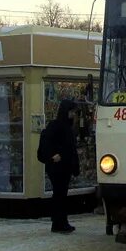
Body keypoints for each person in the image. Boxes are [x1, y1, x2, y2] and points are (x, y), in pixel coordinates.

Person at [38, 99, 80, 233]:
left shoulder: (65, 126)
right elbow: (48, 143)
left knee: (60, 194)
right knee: (60, 195)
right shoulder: (57, 126)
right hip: (58, 167)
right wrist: (54, 155)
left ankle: (59, 222)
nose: (73, 114)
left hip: (63, 166)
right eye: (72, 111)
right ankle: (60, 222)